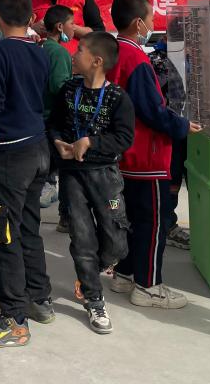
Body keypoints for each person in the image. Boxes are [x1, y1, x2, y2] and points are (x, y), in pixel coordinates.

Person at [106, 0, 200, 309]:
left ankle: (124, 273)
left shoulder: (113, 52)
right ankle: (149, 286)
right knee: (153, 223)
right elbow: (152, 110)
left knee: (132, 220)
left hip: (123, 154)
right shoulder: (136, 59)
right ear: (138, 23)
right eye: (150, 19)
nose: (152, 24)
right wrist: (182, 126)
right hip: (146, 155)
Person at [0, 0, 52, 348]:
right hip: (37, 149)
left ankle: (14, 320)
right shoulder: (40, 52)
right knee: (27, 227)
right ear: (31, 18)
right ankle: (38, 297)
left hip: (8, 154)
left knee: (1, 234)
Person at [50, 32, 134, 334]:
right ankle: (93, 297)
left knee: (117, 242)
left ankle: (94, 269)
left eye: (80, 50)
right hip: (72, 175)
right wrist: (58, 142)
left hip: (105, 176)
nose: (74, 53)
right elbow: (54, 123)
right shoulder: (68, 90)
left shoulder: (118, 98)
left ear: (97, 61)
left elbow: (124, 138)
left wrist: (91, 142)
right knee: (82, 237)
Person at [149, 34, 190, 250]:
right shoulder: (157, 61)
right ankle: (167, 225)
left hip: (192, 129)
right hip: (170, 131)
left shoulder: (197, 60)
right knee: (170, 179)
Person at [38, 6, 74, 215]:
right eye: (71, 23)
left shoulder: (41, 46)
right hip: (52, 117)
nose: (74, 28)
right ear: (60, 27)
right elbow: (60, 87)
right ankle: (65, 215)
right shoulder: (59, 52)